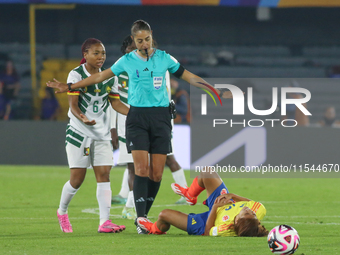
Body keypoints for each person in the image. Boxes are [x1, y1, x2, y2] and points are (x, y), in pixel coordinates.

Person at [47, 20, 232, 234]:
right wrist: (69, 86)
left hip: (161, 117)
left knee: (157, 174)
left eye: (147, 39)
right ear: (134, 41)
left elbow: (189, 76)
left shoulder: (165, 58)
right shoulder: (126, 61)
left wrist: (215, 90)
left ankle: (142, 216)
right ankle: (142, 219)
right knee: (141, 169)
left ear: (152, 36)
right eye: (139, 40)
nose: (144, 44)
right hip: (137, 117)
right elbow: (99, 76)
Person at [55, 38, 129, 233]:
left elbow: (116, 103)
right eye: (96, 53)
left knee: (104, 175)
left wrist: (135, 113)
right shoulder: (76, 74)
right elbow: (73, 104)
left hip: (101, 133)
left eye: (103, 53)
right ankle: (62, 211)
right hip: (79, 131)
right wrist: (83, 118)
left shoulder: (110, 76)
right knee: (77, 179)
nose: (100, 57)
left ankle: (104, 222)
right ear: (85, 54)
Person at [111, 36, 188, 216]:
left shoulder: (158, 65)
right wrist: (113, 128)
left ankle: (183, 192)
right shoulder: (124, 71)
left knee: (162, 162)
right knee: (136, 165)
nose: (136, 52)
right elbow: (114, 100)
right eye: (132, 49)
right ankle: (131, 205)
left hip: (158, 120)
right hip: (132, 124)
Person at [136, 166, 269, 237]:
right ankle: (190, 195)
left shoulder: (225, 229)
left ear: (236, 221)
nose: (248, 210)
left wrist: (216, 207)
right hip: (223, 201)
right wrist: (231, 195)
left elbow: (207, 232)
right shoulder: (259, 210)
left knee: (164, 215)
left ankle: (154, 229)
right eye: (253, 214)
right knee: (207, 171)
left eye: (246, 213)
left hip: (206, 221)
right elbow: (251, 203)